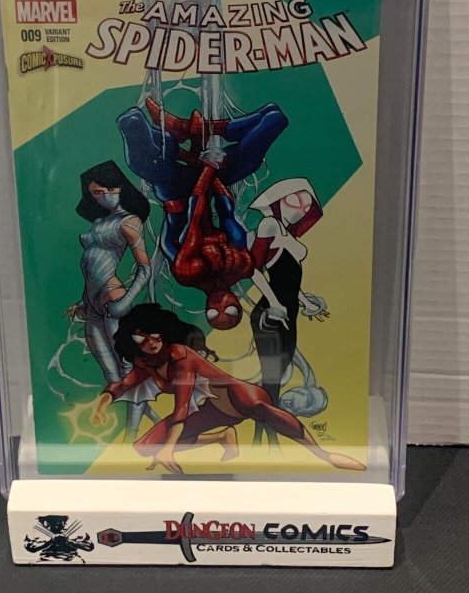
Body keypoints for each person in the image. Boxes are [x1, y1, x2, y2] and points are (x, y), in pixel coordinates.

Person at [91, 304, 365, 474]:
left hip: (237, 395)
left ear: (163, 330)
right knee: (144, 448)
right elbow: (122, 385)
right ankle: (222, 437)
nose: (150, 342)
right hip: (213, 411)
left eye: (154, 333)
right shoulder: (146, 362)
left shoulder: (180, 355)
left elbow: (182, 406)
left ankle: (324, 455)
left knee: (258, 409)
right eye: (140, 337)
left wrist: (169, 449)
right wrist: (101, 406)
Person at [117, 98, 288, 329]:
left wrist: (204, 166)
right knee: (275, 119)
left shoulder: (188, 274)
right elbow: (227, 212)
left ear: (206, 309)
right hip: (211, 182)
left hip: (176, 192)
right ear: (237, 303)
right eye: (229, 310)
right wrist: (213, 168)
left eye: (214, 313)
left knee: (133, 126)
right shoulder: (242, 266)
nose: (220, 304)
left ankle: (175, 138)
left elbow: (194, 218)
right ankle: (201, 128)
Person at [65, 160, 158, 440]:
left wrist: (126, 301)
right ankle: (153, 421)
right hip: (92, 303)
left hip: (112, 298)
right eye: (94, 193)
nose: (99, 197)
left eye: (102, 191)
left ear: (117, 188)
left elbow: (145, 268)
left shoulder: (129, 221)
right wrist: (82, 303)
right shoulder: (98, 222)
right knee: (112, 376)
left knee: (129, 372)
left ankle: (131, 436)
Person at [248, 179, 329, 445]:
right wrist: (274, 303)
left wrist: (305, 301)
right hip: (271, 314)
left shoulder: (288, 234)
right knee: (272, 381)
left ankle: (264, 438)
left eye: (306, 205)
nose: (300, 209)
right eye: (294, 200)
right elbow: (254, 269)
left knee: (277, 379)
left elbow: (289, 279)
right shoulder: (269, 225)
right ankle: (265, 440)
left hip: (288, 311)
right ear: (277, 200)